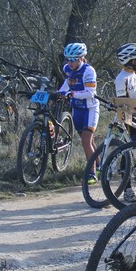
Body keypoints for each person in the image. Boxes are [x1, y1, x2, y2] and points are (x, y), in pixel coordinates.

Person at [58, 43, 99, 181]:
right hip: (77, 109)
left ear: (81, 58)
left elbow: (90, 93)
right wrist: (61, 92)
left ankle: (92, 173)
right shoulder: (67, 68)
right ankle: (100, 166)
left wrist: (72, 94)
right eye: (68, 59)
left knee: (86, 141)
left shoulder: (89, 71)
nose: (70, 63)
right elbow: (67, 83)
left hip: (90, 109)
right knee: (88, 141)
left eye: (73, 59)